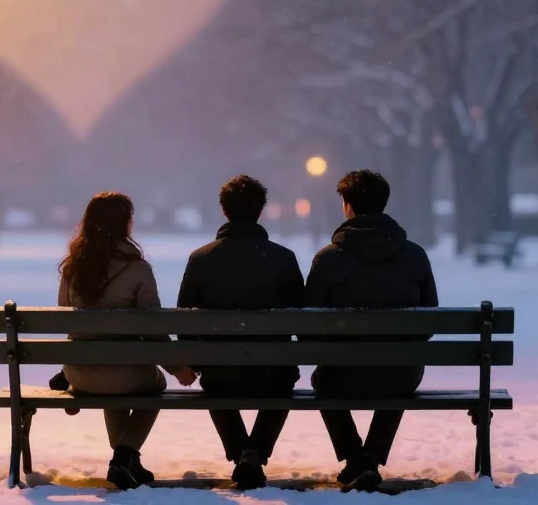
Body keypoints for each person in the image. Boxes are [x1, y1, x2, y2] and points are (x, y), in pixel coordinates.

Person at [304, 169, 439, 493]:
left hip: (341, 373)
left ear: (348, 206)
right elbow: (429, 320)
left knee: (323, 381)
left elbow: (308, 325)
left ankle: (356, 458)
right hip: (399, 373)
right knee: (400, 371)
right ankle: (371, 456)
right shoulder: (414, 255)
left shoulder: (328, 259)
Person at [58, 192, 196, 490]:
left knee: (115, 376)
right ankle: (123, 457)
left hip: (82, 374)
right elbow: (153, 328)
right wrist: (176, 368)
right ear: (125, 224)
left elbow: (66, 318)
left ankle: (129, 460)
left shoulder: (73, 267)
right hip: (125, 372)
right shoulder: (138, 269)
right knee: (153, 384)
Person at [176, 175, 305, 490]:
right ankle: (254, 452)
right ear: (260, 210)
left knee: (215, 380)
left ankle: (243, 451)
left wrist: (195, 360)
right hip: (273, 373)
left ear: (224, 210)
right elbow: (302, 320)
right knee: (283, 380)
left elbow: (183, 322)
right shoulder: (283, 258)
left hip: (220, 373)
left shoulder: (202, 259)